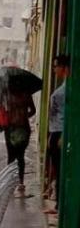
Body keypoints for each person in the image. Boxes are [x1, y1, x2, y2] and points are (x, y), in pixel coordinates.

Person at [44, 54, 70, 214]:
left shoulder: (69, 88)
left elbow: (68, 114)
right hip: (55, 132)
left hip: (60, 133)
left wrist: (61, 135)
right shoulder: (64, 86)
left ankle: (59, 206)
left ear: (64, 68)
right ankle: (56, 201)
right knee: (55, 167)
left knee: (60, 169)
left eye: (56, 66)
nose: (54, 70)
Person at [2, 88, 36, 197]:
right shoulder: (26, 94)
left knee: (11, 157)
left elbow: (3, 111)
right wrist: (24, 116)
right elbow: (33, 110)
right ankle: (21, 182)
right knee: (20, 156)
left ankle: (10, 182)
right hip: (23, 127)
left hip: (11, 128)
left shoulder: (6, 93)